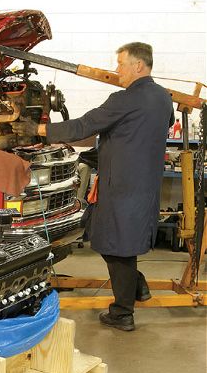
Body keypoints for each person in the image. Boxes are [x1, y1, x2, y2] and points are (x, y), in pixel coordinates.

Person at [12, 42, 174, 331]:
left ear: (138, 66)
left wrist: (38, 130)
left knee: (116, 245)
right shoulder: (163, 98)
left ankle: (123, 313)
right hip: (145, 186)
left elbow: (84, 126)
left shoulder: (123, 99)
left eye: (121, 63)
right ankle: (137, 286)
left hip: (121, 187)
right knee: (116, 237)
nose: (116, 70)